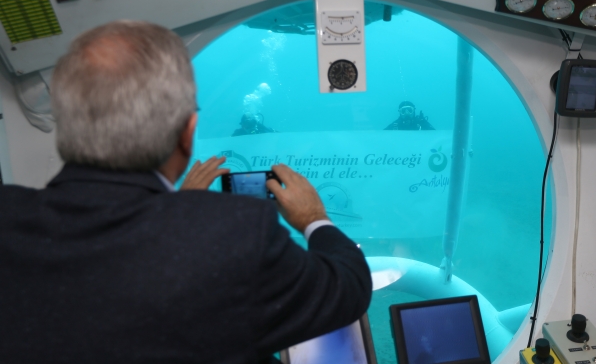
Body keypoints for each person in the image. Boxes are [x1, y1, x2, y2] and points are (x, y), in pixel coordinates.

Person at [0, 21, 372, 364]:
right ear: (187, 132)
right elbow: (347, 291)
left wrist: (177, 209)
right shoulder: (234, 233)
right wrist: (313, 219)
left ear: (65, 128)